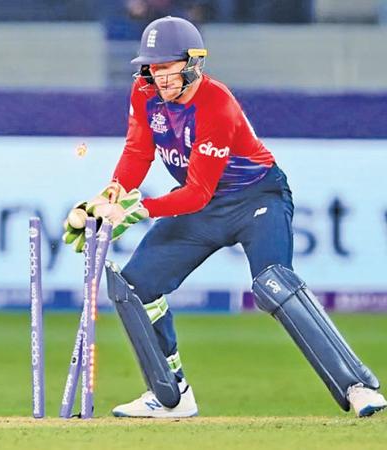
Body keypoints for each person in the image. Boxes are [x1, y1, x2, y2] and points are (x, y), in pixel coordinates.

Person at [62, 16, 386, 418]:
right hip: (202, 210)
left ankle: (356, 386)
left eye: (169, 67)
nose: (160, 77)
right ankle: (172, 395)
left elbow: (198, 191)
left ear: (194, 62)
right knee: (135, 286)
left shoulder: (216, 103)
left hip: (255, 200)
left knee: (273, 284)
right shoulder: (144, 92)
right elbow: (138, 151)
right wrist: (113, 191)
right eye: (153, 67)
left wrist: (138, 208)